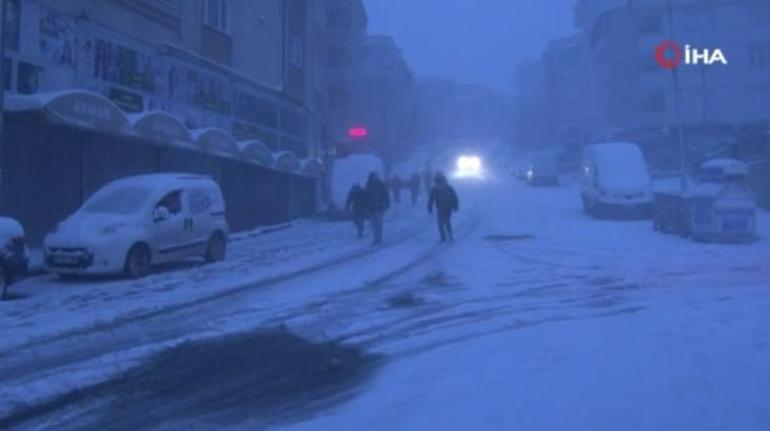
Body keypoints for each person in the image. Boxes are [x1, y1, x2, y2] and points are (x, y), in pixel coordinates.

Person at [428, 171, 459, 243]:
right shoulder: (447, 187)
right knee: (445, 222)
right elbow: (454, 197)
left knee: (442, 223)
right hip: (445, 207)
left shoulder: (436, 188)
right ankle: (448, 236)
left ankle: (444, 237)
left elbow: (431, 198)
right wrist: (455, 205)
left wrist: (430, 207)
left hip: (443, 207)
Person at [365, 172, 390, 245]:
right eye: (372, 177)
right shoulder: (368, 186)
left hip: (380, 207)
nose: (374, 178)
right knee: (373, 225)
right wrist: (366, 206)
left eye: (375, 177)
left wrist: (386, 203)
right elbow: (365, 197)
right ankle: (375, 238)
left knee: (378, 224)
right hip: (371, 208)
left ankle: (379, 238)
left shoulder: (381, 185)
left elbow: (386, 195)